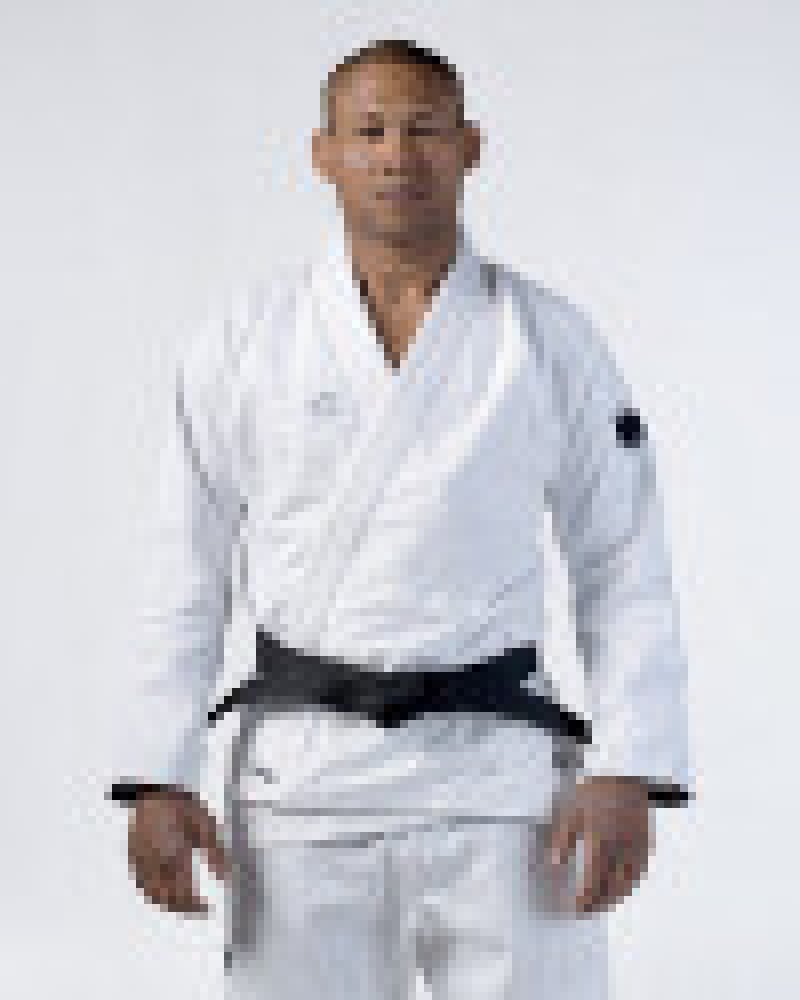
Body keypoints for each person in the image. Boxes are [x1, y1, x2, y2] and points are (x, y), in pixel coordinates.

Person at [110, 38, 693, 999]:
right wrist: (158, 774)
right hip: (303, 787)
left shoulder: (548, 341)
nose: (395, 155)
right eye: (369, 131)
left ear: (470, 147)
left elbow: (623, 561)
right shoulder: (246, 342)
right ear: (323, 154)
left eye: (423, 129)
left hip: (501, 785)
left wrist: (629, 766)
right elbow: (186, 568)